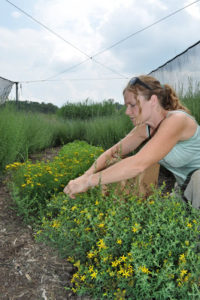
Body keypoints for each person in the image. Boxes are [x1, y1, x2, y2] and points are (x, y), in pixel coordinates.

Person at [64, 75, 200, 209]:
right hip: (186, 189)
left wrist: (89, 182)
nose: (127, 112)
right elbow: (112, 153)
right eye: (126, 106)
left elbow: (138, 164)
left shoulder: (177, 120)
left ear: (153, 100)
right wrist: (85, 176)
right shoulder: (144, 128)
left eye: (132, 105)